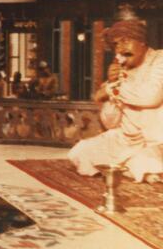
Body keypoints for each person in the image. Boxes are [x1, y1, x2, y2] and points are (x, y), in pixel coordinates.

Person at [68, 12, 163, 183]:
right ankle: (133, 168)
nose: (121, 48)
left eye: (126, 41)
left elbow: (151, 97)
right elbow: (110, 122)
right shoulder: (121, 71)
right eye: (116, 44)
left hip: (155, 139)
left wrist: (110, 90)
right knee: (80, 152)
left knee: (147, 160)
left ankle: (136, 167)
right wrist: (111, 86)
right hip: (127, 140)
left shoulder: (159, 60)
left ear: (142, 41)